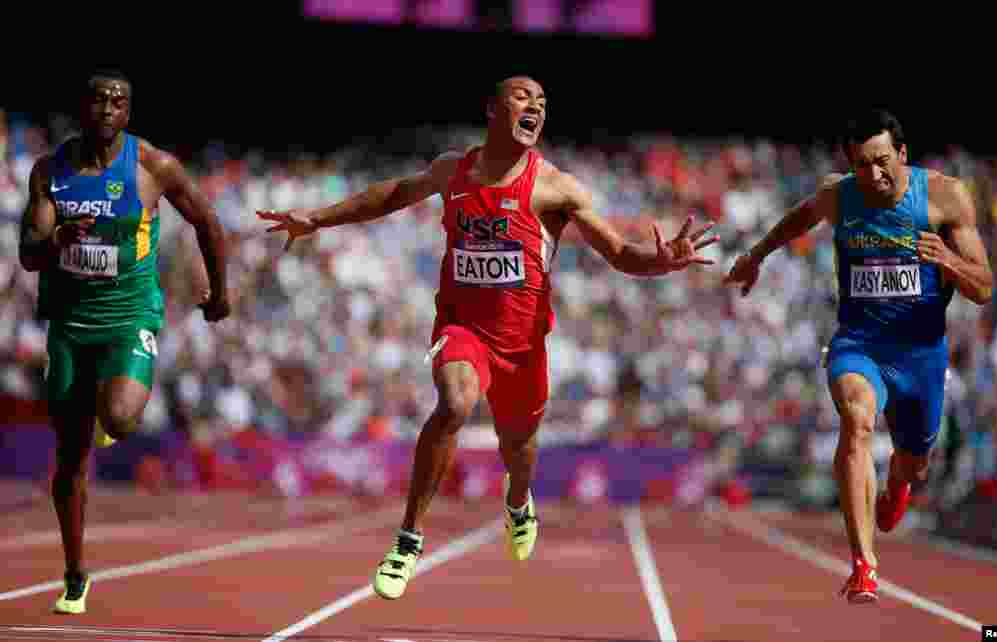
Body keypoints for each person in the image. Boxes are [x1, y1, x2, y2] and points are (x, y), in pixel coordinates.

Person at [259, 75, 718, 600]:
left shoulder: (555, 187)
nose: (536, 107)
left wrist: (661, 261)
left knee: (519, 451)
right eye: (524, 97)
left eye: (543, 103)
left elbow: (617, 252)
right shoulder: (452, 171)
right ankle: (407, 541)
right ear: (492, 108)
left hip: (523, 347)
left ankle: (518, 503)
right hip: (463, 329)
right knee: (454, 403)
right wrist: (316, 218)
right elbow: (391, 195)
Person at [725, 109, 993, 604]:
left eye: (882, 161)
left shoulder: (944, 196)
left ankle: (898, 489)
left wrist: (949, 261)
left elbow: (984, 289)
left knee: (914, 465)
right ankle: (864, 565)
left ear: (903, 154)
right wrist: (756, 255)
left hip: (921, 355)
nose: (873, 175)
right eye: (861, 165)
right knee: (857, 420)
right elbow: (799, 218)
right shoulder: (839, 194)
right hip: (860, 343)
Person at [18, 68, 231, 614]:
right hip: (69, 322)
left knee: (119, 418)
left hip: (128, 314)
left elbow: (207, 222)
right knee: (68, 460)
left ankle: (107, 412)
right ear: (83, 108)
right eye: (99, 100)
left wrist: (219, 293)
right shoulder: (50, 171)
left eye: (119, 102)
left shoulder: (153, 166)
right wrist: (56, 239)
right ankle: (74, 572)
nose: (109, 109)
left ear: (129, 113)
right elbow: (29, 253)